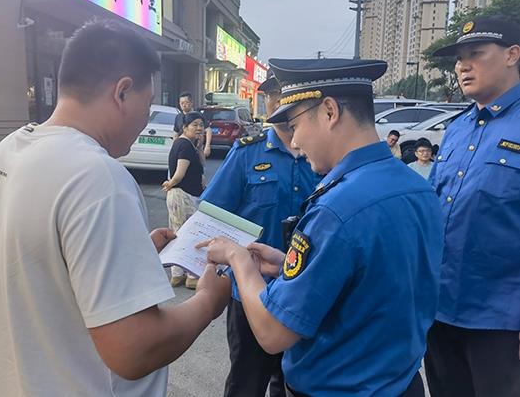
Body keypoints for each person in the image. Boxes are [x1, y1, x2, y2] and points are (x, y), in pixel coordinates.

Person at [0, 20, 230, 397]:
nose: (145, 122)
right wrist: (208, 300)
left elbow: (43, 265)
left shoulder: (5, 153)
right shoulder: (98, 177)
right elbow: (135, 349)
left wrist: (130, 251)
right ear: (122, 92)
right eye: (146, 106)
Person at [198, 58, 444, 396]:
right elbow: (374, 281)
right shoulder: (418, 188)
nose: (295, 142)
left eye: (295, 125)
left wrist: (238, 259)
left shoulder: (337, 207)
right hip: (399, 383)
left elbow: (273, 333)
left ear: (329, 112)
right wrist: (288, 265)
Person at [201, 70, 322, 397]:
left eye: (284, 94)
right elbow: (213, 214)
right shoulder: (246, 153)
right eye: (271, 95)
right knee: (246, 381)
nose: (277, 102)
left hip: (305, 291)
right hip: (251, 293)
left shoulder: (322, 156)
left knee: (295, 382)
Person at [424, 14, 520, 397]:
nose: (463, 66)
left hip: (501, 319)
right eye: (459, 58)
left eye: (476, 53)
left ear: (512, 54)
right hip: (440, 309)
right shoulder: (457, 128)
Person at [163, 111, 206, 289]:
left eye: (201, 125)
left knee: (178, 233)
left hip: (182, 194)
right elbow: (180, 173)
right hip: (182, 195)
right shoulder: (185, 146)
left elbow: (202, 165)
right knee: (189, 234)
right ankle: (190, 275)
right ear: (185, 127)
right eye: (195, 125)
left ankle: (177, 275)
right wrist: (170, 183)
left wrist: (200, 146)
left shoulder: (188, 144)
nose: (199, 128)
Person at [175, 91, 212, 158]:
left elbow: (208, 130)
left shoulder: (198, 115)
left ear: (191, 103)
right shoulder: (178, 117)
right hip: (182, 147)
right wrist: (175, 146)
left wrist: (207, 146)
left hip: (196, 147)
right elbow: (176, 133)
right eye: (181, 103)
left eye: (186, 102)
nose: (184, 105)